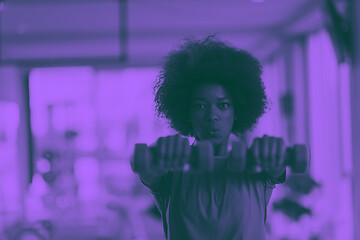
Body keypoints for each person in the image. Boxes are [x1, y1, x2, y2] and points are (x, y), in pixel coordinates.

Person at [138, 35, 286, 240]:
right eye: (200, 106)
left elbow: (277, 167)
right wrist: (157, 152)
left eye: (223, 105)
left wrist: (274, 150)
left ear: (237, 111)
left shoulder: (257, 163)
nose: (212, 116)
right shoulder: (170, 167)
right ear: (187, 114)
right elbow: (146, 167)